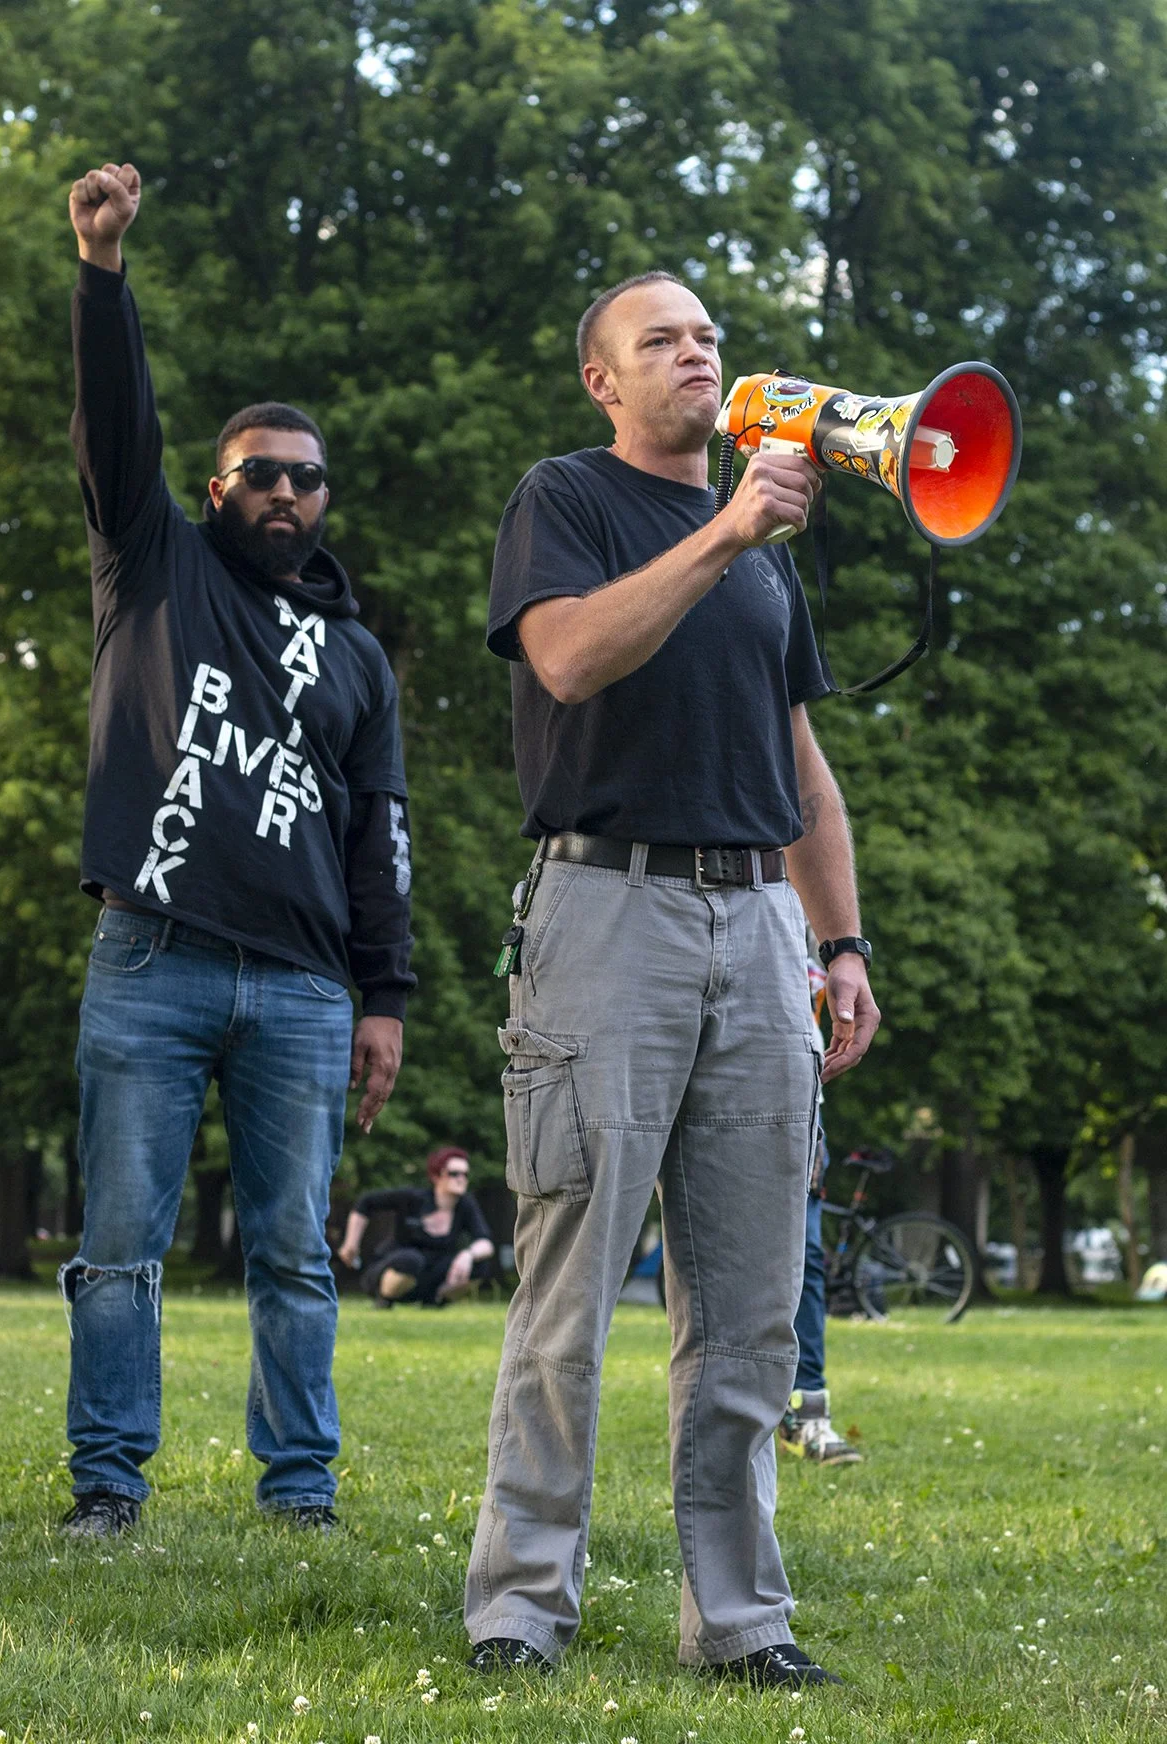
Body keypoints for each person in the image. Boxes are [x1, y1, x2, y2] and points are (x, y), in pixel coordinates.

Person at [463, 271, 880, 1688]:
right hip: (605, 908)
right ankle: (521, 1607)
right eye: (664, 341)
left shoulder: (770, 543)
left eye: (708, 335)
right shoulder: (566, 500)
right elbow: (571, 658)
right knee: (571, 1285)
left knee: (754, 1305)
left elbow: (802, 764)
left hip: (759, 931)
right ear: (606, 382)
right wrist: (725, 531)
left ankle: (741, 1625)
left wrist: (841, 942)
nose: (697, 353)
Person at [58, 163, 414, 1539]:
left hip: (307, 988)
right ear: (215, 485)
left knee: (293, 1258)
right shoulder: (155, 561)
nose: (283, 491)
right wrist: (103, 273)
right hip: (152, 956)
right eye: (258, 472)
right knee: (119, 1250)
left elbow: (379, 838)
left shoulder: (360, 659)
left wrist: (384, 999)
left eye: (305, 478)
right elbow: (113, 430)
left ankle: (301, 1490)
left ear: (326, 500)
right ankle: (109, 1485)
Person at [779, 952, 863, 1465]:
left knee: (806, 1263)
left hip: (800, 1114)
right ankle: (726, 1414)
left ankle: (808, 1414)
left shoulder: (822, 938)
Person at [338, 1147, 495, 1305]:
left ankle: (436, 1301)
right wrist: (351, 1244)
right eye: (454, 1174)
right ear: (436, 1176)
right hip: (393, 1268)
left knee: (480, 1263)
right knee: (412, 1260)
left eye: (465, 1174)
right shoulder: (413, 1199)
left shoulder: (465, 1205)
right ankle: (385, 1299)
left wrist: (468, 1254)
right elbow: (366, 1202)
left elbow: (485, 1242)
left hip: (430, 1276)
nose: (461, 1179)